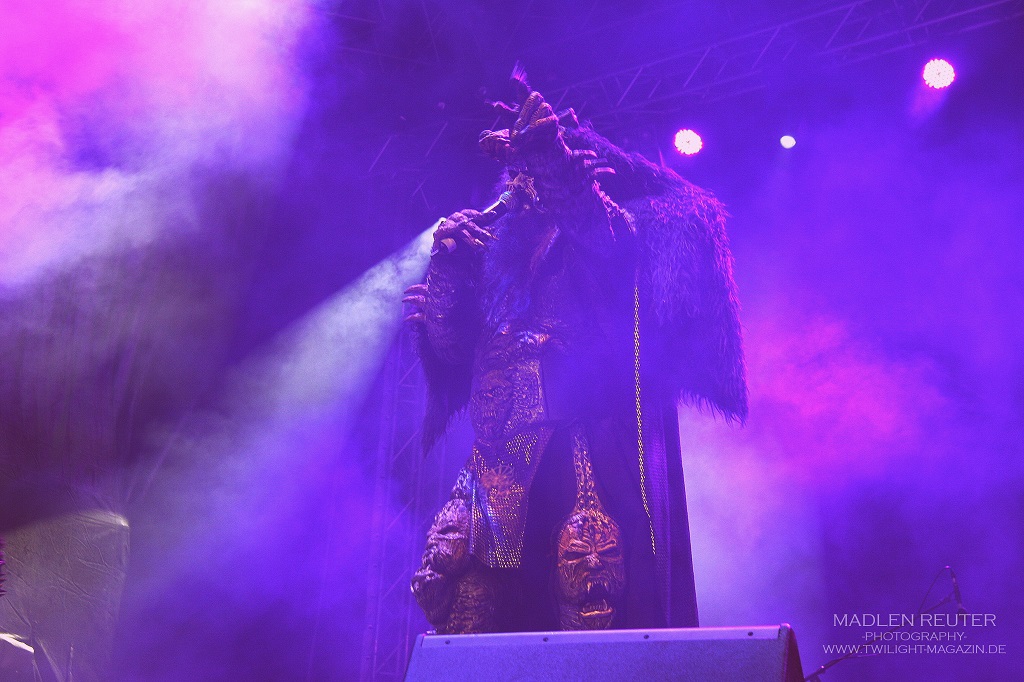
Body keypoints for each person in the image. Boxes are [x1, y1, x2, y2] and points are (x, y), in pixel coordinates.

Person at [404, 79, 746, 634]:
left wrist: (550, 157)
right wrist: (448, 268)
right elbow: (453, 354)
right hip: (499, 462)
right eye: (515, 172)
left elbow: (600, 228)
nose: (518, 184)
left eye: (528, 170)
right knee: (467, 611)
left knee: (586, 600)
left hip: (581, 445)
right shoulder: (501, 252)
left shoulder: (612, 227)